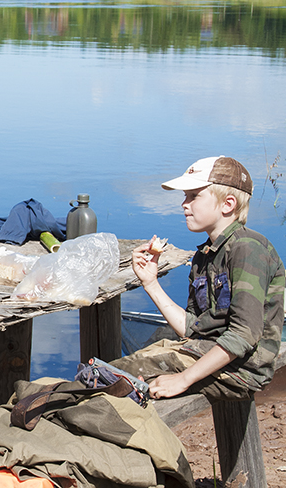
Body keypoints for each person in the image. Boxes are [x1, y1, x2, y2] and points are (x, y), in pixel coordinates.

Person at [111, 156, 285, 403]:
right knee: (109, 373)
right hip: (204, 353)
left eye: (193, 196)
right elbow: (193, 329)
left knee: (115, 383)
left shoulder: (247, 249)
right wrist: (150, 283)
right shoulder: (204, 256)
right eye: (185, 196)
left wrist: (183, 379)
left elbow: (244, 335)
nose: (184, 204)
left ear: (228, 204)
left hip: (240, 371)